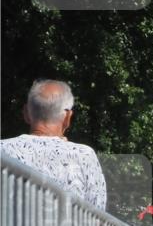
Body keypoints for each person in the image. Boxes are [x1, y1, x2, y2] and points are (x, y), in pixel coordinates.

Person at [1, 79, 107, 209]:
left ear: (26, 113)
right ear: (67, 117)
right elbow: (98, 213)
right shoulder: (83, 155)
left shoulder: (3, 150)